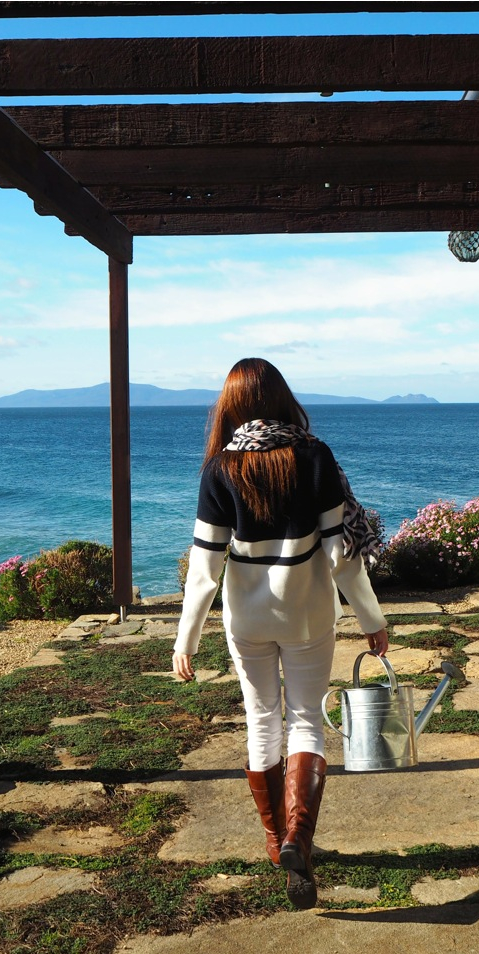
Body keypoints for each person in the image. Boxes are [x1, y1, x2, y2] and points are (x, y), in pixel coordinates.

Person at [172, 358, 389, 910]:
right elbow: (341, 555)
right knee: (306, 720)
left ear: (232, 407)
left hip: (247, 620)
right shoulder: (314, 456)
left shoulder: (220, 469)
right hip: (309, 614)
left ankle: (277, 844)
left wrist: (186, 640)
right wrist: (371, 618)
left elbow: (205, 567)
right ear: (282, 398)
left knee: (262, 718)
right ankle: (299, 838)